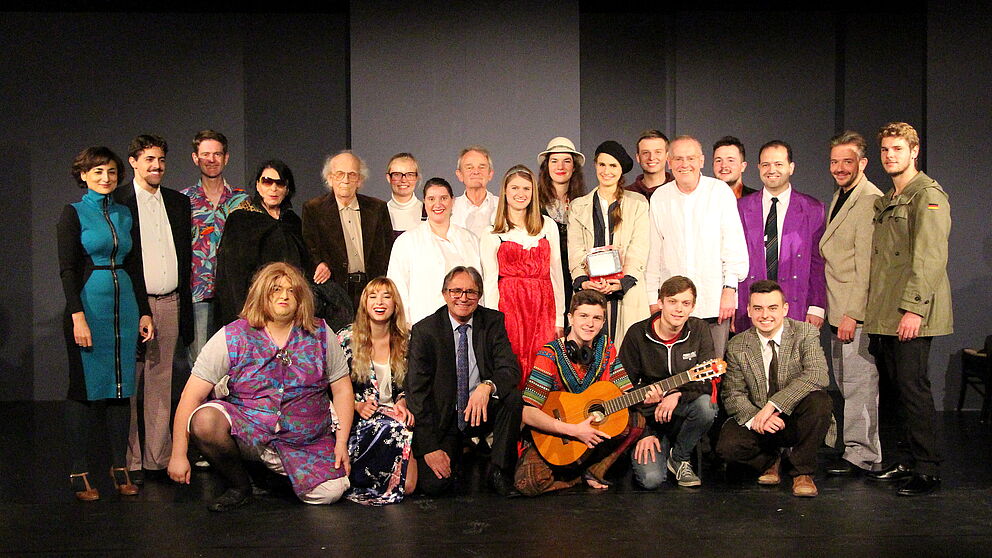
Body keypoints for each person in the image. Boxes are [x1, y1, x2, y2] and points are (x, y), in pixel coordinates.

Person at [168, 262, 354, 511]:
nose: (284, 296)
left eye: (291, 291)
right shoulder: (232, 335)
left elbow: (341, 388)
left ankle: (273, 478)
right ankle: (239, 485)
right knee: (205, 421)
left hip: (303, 438)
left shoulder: (320, 333)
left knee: (331, 492)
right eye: (275, 290)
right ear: (261, 294)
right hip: (250, 430)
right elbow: (191, 395)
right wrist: (178, 453)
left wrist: (341, 443)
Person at [58, 146, 155, 500]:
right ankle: (79, 470)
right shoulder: (73, 214)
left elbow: (134, 265)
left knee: (120, 389)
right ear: (83, 175)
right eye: (97, 171)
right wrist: (77, 317)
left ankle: (119, 466)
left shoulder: (125, 213)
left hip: (124, 307)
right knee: (83, 391)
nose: (105, 178)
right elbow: (67, 270)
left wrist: (144, 310)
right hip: (89, 307)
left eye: (111, 172)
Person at [863, 122, 952, 496]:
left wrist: (914, 309)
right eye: (885, 150)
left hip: (912, 311)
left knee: (913, 389)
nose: (890, 156)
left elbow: (930, 258)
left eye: (898, 149)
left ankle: (927, 468)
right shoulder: (889, 198)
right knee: (895, 390)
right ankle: (904, 459)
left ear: (914, 151)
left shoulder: (927, 195)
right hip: (885, 312)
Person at [114, 134, 193, 481]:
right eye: (149, 159)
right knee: (131, 384)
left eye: (160, 160)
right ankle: (129, 461)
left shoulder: (177, 202)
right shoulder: (119, 202)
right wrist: (137, 307)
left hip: (171, 300)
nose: (156, 166)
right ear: (133, 161)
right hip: (134, 303)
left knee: (161, 384)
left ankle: (156, 459)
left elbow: (186, 257)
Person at [405, 266, 522, 496]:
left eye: (471, 292)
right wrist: (429, 448)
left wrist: (487, 386)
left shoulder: (492, 321)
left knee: (513, 398)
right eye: (456, 291)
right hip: (445, 419)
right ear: (445, 294)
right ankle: (463, 451)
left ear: (479, 295)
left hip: (480, 411)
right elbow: (417, 394)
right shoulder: (425, 331)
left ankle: (499, 470)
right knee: (435, 487)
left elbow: (510, 369)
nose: (463, 298)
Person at [516, 290, 643, 495]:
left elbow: (626, 392)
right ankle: (576, 476)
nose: (590, 324)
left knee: (636, 420)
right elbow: (527, 412)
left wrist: (655, 394)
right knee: (529, 483)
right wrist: (572, 430)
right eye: (583, 316)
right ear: (570, 318)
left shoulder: (607, 349)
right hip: (557, 434)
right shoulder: (549, 354)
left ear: (603, 323)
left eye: (597, 318)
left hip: (591, 434)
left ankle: (593, 469)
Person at [716, 280, 833, 498]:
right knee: (727, 448)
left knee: (820, 401)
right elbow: (733, 394)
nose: (765, 315)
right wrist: (757, 417)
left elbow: (817, 375)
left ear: (785, 309)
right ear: (749, 311)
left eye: (772, 308)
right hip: (761, 422)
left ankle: (802, 472)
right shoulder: (738, 344)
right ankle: (772, 460)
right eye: (758, 308)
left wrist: (773, 405)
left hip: (795, 417)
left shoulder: (805, 332)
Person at [645, 135, 748, 358]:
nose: (684, 164)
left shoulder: (719, 192)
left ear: (701, 161)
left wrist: (729, 290)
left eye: (690, 158)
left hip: (713, 301)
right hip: (673, 307)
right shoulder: (660, 197)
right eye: (678, 159)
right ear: (669, 162)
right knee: (674, 372)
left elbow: (733, 245)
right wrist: (653, 299)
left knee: (712, 371)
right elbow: (654, 253)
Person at [818, 131, 884, 476]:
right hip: (836, 307)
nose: (840, 168)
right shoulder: (842, 196)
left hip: (851, 311)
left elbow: (866, 266)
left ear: (863, 163)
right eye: (835, 161)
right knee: (846, 384)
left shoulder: (869, 199)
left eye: (847, 161)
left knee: (859, 385)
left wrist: (853, 314)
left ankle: (864, 455)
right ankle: (855, 449)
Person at [621, 276, 718, 488]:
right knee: (651, 480)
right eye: (672, 301)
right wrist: (644, 432)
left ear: (692, 306)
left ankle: (680, 457)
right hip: (649, 417)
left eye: (685, 303)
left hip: (683, 411)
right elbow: (622, 387)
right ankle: (657, 445)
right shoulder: (637, 334)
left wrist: (676, 393)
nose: (679, 309)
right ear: (660, 302)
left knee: (707, 406)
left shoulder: (699, 330)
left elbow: (708, 379)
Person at [481, 165, 564, 388]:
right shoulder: (492, 233)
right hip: (510, 308)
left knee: (543, 364)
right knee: (512, 363)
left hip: (543, 307)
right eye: (515, 187)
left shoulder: (548, 226)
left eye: (526, 188)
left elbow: (556, 274)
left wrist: (559, 318)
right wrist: (493, 322)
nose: (521, 193)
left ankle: (541, 420)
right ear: (505, 192)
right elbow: (489, 281)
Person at [338, 277, 416, 505]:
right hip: (360, 422)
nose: (379, 302)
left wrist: (403, 400)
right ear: (364, 303)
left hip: (399, 419)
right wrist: (355, 405)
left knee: (410, 486)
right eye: (373, 296)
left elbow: (415, 384)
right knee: (395, 425)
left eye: (386, 296)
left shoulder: (408, 339)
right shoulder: (345, 339)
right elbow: (327, 389)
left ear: (395, 304)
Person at [213, 160, 317, 330]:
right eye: (267, 182)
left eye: (280, 183)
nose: (273, 189)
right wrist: (245, 314)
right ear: (258, 186)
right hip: (254, 309)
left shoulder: (293, 221)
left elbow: (305, 263)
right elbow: (233, 274)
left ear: (287, 189)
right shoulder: (241, 220)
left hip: (290, 309)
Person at [735, 140, 826, 332]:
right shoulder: (741, 208)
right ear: (758, 167)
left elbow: (818, 262)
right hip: (751, 306)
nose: (771, 170)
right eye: (766, 164)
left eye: (778, 164)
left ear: (791, 168)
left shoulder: (812, 209)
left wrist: (817, 305)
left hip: (796, 304)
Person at [567, 140, 650, 348]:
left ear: (621, 170)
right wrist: (583, 280)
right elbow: (575, 248)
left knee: (625, 351)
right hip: (590, 289)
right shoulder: (579, 206)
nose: (606, 171)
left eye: (613, 166)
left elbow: (638, 247)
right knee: (588, 350)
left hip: (625, 292)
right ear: (595, 165)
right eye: (602, 164)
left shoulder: (637, 203)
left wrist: (624, 281)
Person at [181, 130, 248, 361]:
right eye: (205, 154)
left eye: (217, 154)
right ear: (195, 158)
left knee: (235, 362)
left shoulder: (242, 201)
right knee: (201, 363)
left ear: (226, 158)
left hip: (234, 295)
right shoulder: (184, 200)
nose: (211, 159)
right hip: (197, 295)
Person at [302, 151, 394, 312]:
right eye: (339, 174)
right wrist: (319, 264)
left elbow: (388, 251)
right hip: (334, 293)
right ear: (329, 178)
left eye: (352, 174)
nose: (345, 180)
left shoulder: (377, 208)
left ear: (360, 180)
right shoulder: (313, 209)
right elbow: (309, 248)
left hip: (372, 291)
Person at [387, 177, 482, 325]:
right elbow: (397, 289)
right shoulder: (407, 241)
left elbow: (479, 286)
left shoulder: (469, 239)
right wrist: (405, 327)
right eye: (431, 199)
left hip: (465, 325)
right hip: (421, 326)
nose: (437, 204)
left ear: (453, 201)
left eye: (443, 198)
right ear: (424, 203)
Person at [536, 137, 586, 315]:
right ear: (546, 166)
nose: (560, 167)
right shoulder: (534, 203)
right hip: (545, 280)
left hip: (575, 279)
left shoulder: (584, 203)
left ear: (574, 167)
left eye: (567, 161)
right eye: (554, 161)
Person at [451, 146, 499, 239]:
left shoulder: (503, 207)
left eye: (482, 167)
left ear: (490, 174)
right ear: (460, 174)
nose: (476, 172)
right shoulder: (450, 208)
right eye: (469, 167)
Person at [625, 129, 675, 200]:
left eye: (658, 152)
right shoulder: (626, 195)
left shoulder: (679, 191)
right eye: (646, 153)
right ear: (638, 157)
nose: (651, 158)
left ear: (667, 156)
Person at [384, 152, 425, 237]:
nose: (403, 180)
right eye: (397, 175)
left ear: (417, 178)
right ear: (388, 178)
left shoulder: (428, 214)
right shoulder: (380, 215)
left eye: (409, 175)